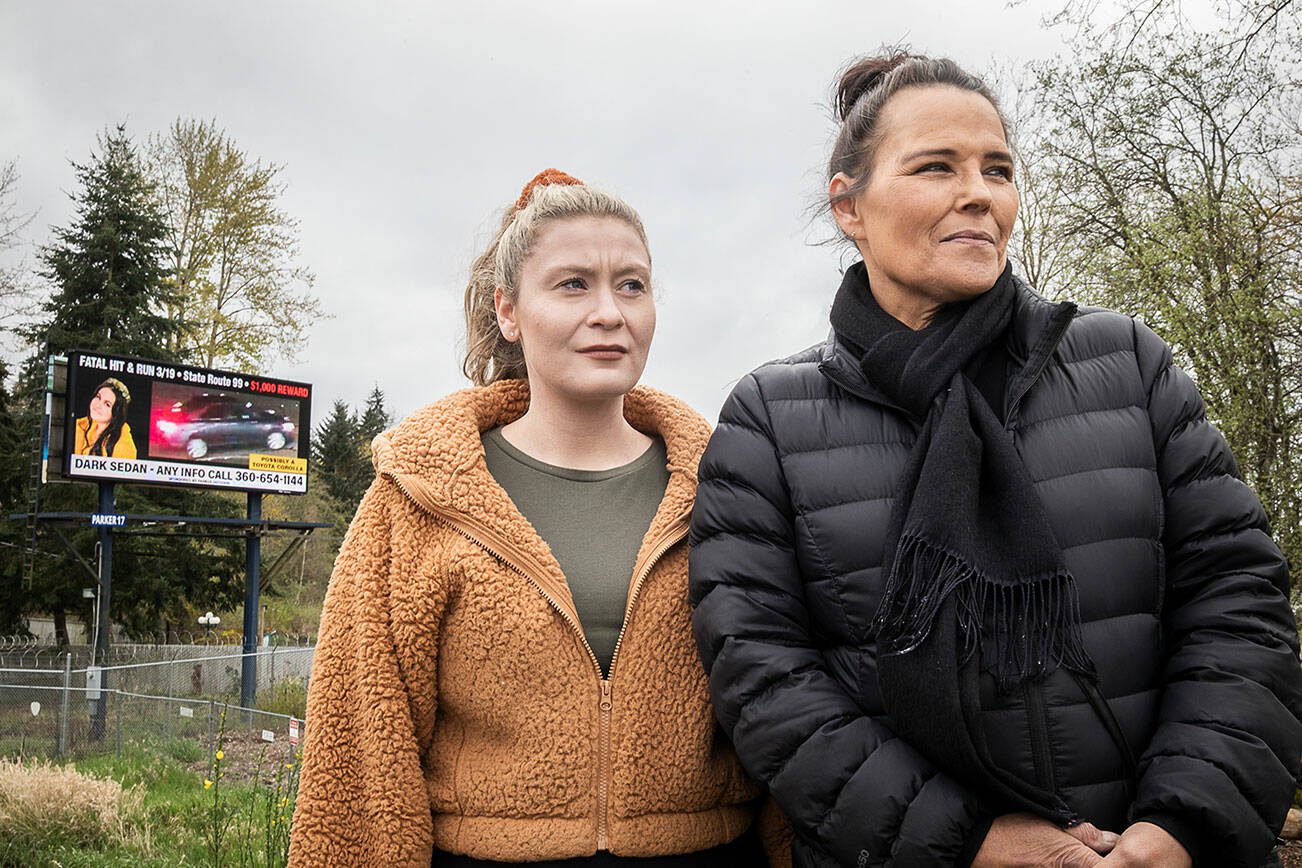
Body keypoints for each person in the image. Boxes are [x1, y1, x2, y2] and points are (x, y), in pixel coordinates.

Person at [689, 52, 1302, 868]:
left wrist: (1182, 826)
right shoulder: (770, 418)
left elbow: (1238, 605)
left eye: (998, 169)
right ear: (849, 205)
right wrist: (970, 840)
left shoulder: (1128, 364)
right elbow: (762, 677)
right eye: (936, 167)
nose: (979, 193)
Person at [289, 170, 765, 867]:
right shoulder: (418, 496)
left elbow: (784, 705)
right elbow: (361, 752)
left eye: (631, 284)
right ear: (508, 311)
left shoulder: (729, 487)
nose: (610, 311)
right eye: (573, 284)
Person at [73, 378, 136, 458]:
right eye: (98, 397)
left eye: (107, 404)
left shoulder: (124, 445)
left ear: (116, 413)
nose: (98, 405)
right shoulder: (79, 426)